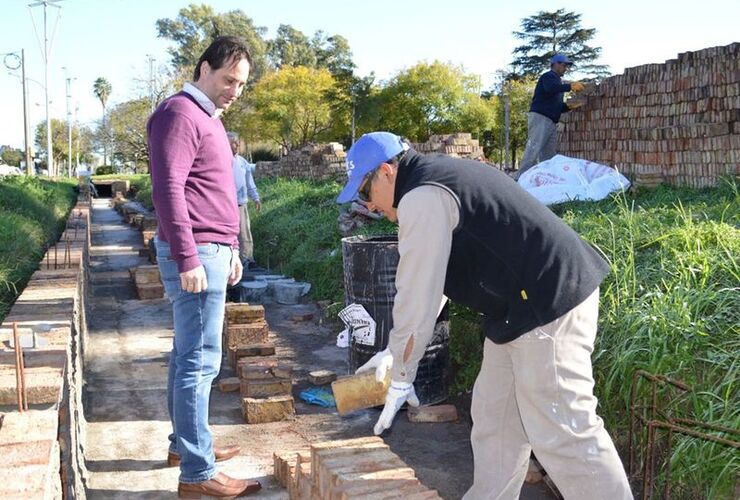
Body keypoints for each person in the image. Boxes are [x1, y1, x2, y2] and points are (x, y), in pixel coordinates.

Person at [338, 132, 633, 500]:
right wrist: (395, 354)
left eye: (366, 195)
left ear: (385, 172)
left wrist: (402, 374)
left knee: (563, 428)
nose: (370, 207)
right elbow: (431, 284)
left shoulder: (421, 196)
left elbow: (415, 291)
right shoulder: (429, 181)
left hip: (547, 303)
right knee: (496, 420)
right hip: (516, 307)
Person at [147, 36, 261, 498]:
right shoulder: (179, 114)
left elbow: (212, 190)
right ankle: (197, 473)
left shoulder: (206, 117)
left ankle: (186, 445)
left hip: (213, 250)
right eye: (229, 80)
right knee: (199, 361)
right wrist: (189, 256)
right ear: (204, 68)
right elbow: (169, 189)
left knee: (187, 356)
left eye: (241, 84)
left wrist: (232, 247)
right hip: (194, 253)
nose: (235, 90)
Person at [518, 54, 585, 178]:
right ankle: (520, 178)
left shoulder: (558, 83)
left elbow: (556, 105)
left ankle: (546, 180)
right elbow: (550, 89)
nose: (566, 68)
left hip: (551, 121)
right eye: (564, 65)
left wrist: (568, 107)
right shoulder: (548, 76)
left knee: (549, 155)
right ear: (556, 64)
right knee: (534, 148)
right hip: (540, 117)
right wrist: (570, 86)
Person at [227, 131, 261, 267]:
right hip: (226, 204)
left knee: (245, 232)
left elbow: (249, 182)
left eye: (238, 142)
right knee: (229, 233)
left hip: (241, 203)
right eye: (234, 143)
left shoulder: (242, 162)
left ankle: (247, 259)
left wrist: (256, 198)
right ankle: (231, 262)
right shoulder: (221, 160)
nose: (237, 145)